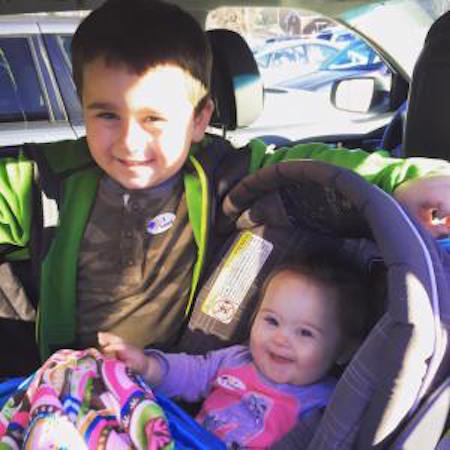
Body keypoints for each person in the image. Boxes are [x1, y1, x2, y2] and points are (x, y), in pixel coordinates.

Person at [0, 0, 449, 371]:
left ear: (199, 119)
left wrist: (407, 179)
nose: (129, 141)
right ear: (83, 108)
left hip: (168, 386)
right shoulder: (45, 176)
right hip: (61, 380)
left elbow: (309, 164)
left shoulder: (219, 171)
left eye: (154, 119)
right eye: (106, 115)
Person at [99, 251, 371, 449]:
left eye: (305, 333)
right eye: (272, 321)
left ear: (344, 351)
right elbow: (189, 373)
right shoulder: (235, 360)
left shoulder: (326, 402)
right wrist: (147, 366)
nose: (281, 339)